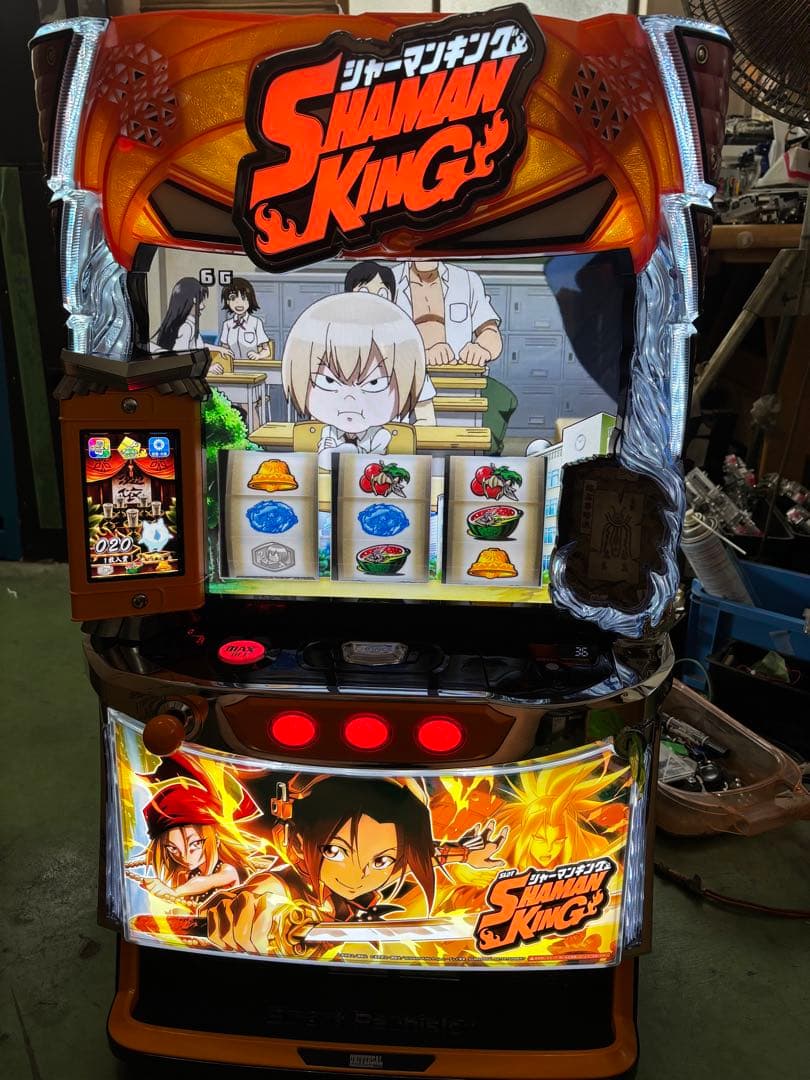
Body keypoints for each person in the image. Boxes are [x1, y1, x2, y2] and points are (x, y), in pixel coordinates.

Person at [205, 774, 506, 957]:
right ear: (295, 842)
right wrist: (243, 912)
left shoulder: (398, 863)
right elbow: (258, 896)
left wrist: (466, 855)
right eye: (334, 851)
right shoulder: (284, 885)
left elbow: (426, 855)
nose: (357, 875)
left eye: (381, 860)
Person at [282, 292, 427, 466]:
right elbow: (324, 462)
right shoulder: (328, 431)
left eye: (374, 382)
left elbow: (369, 466)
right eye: (329, 381)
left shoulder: (381, 435)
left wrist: (344, 451)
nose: (349, 399)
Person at [392, 260, 516, 452]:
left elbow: (490, 332)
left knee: (503, 400)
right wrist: (421, 355)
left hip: (463, 384)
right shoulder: (389, 280)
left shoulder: (467, 280)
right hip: (405, 387)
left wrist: (481, 348)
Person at [124, 753, 268, 912]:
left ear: (215, 838)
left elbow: (206, 882)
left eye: (195, 844)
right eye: (173, 848)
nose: (185, 858)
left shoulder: (227, 870)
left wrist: (174, 892)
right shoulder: (188, 872)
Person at [343, 260, 436, 424]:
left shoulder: (408, 355)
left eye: (382, 294)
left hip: (395, 435)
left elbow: (426, 417)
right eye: (364, 292)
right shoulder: (335, 351)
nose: (374, 301)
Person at [217, 277, 271, 362]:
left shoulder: (256, 323)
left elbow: (267, 350)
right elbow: (224, 349)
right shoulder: (227, 324)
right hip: (232, 365)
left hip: (251, 365)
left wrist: (259, 355)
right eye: (233, 298)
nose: (239, 303)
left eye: (243, 298)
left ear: (250, 300)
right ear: (227, 301)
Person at [152, 277, 209, 352]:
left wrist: (220, 349)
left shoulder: (184, 324)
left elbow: (200, 347)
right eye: (199, 301)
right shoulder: (186, 327)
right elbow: (181, 356)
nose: (203, 306)